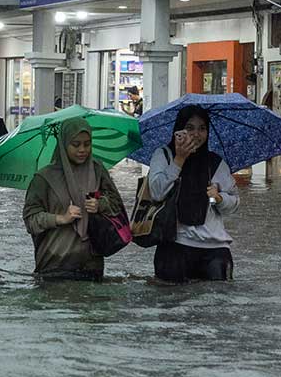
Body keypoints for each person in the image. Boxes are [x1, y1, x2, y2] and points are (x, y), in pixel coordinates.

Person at [145, 105, 240, 282]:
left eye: (202, 128)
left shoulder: (216, 163)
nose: (196, 134)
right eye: (190, 128)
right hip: (175, 246)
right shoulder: (164, 155)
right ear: (178, 129)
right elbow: (157, 192)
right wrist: (179, 160)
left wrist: (218, 198)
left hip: (215, 249)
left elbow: (233, 202)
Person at [22, 116, 125, 280]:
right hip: (55, 264)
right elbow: (30, 220)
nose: (82, 149)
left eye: (87, 143)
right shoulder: (44, 179)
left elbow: (117, 205)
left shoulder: (97, 170)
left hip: (92, 265)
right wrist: (60, 218)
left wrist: (100, 204)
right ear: (63, 145)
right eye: (75, 144)